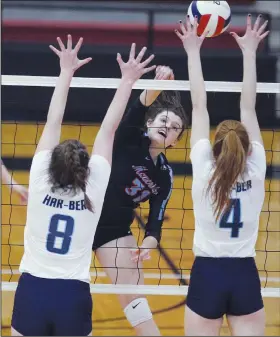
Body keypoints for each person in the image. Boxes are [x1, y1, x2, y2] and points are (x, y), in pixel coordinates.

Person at [11, 36, 156, 337]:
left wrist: (66, 71)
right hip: (73, 296)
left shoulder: (38, 175)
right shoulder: (95, 185)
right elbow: (108, 129)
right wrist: (128, 79)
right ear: (85, 168)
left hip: (32, 292)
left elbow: (53, 121)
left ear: (52, 163)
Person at [175, 14, 269, 336]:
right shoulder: (257, 168)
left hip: (208, 274)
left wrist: (192, 50)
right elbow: (249, 108)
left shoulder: (203, 165)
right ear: (247, 148)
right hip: (244, 273)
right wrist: (250, 51)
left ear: (215, 144)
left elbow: (198, 106)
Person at [92, 64, 188, 335]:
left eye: (175, 128)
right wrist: (160, 82)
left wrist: (147, 244)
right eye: (163, 122)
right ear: (149, 124)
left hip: (113, 230)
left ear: (176, 141)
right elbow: (137, 107)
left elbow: (155, 224)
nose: (167, 127)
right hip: (82, 214)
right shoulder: (129, 138)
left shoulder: (165, 176)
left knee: (136, 300)